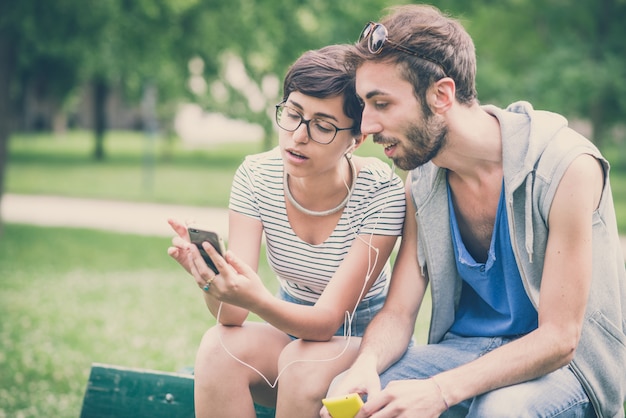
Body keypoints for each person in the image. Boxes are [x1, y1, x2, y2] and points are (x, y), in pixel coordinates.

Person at [322, 4, 626, 418]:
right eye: (364, 105)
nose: (367, 126)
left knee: (501, 410)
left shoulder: (565, 167)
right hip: (465, 352)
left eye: (381, 103)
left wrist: (440, 391)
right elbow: (397, 312)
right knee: (359, 397)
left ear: (441, 94)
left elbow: (559, 338)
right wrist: (365, 366)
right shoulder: (423, 182)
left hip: (570, 371)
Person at [167, 44, 406, 418]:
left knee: (299, 362)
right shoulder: (255, 175)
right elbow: (232, 317)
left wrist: (258, 299)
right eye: (293, 115)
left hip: (362, 350)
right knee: (217, 347)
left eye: (323, 127)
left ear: (356, 140)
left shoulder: (381, 194)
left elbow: (328, 323)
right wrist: (212, 281)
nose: (298, 135)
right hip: (291, 334)